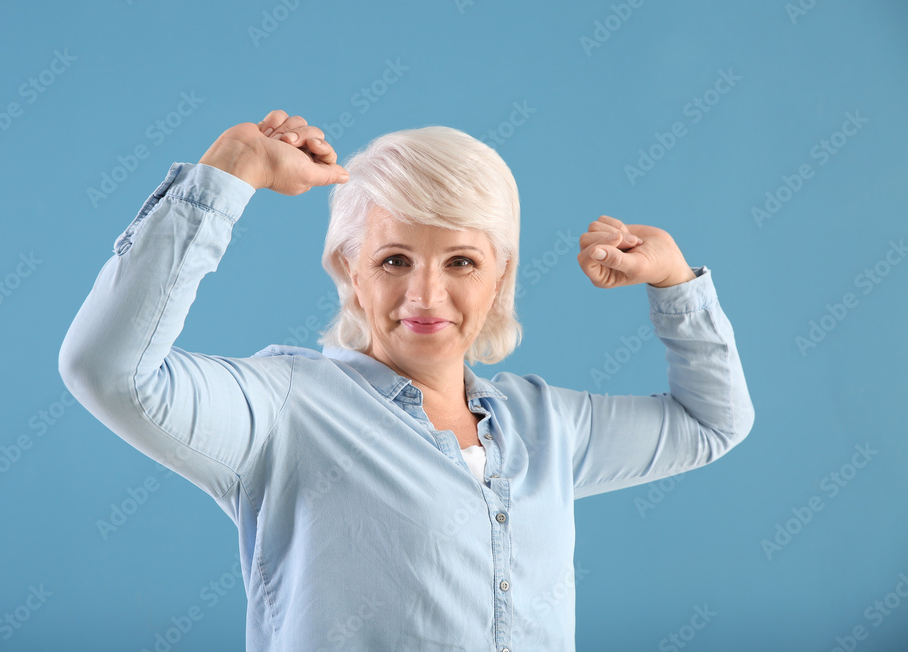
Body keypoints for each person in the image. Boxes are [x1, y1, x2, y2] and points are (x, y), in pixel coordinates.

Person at [58, 109, 754, 651]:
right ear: (349, 270)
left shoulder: (543, 424)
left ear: (499, 279)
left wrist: (674, 283)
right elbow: (110, 369)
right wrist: (230, 170)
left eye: (460, 262)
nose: (425, 295)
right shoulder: (285, 409)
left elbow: (711, 423)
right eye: (394, 260)